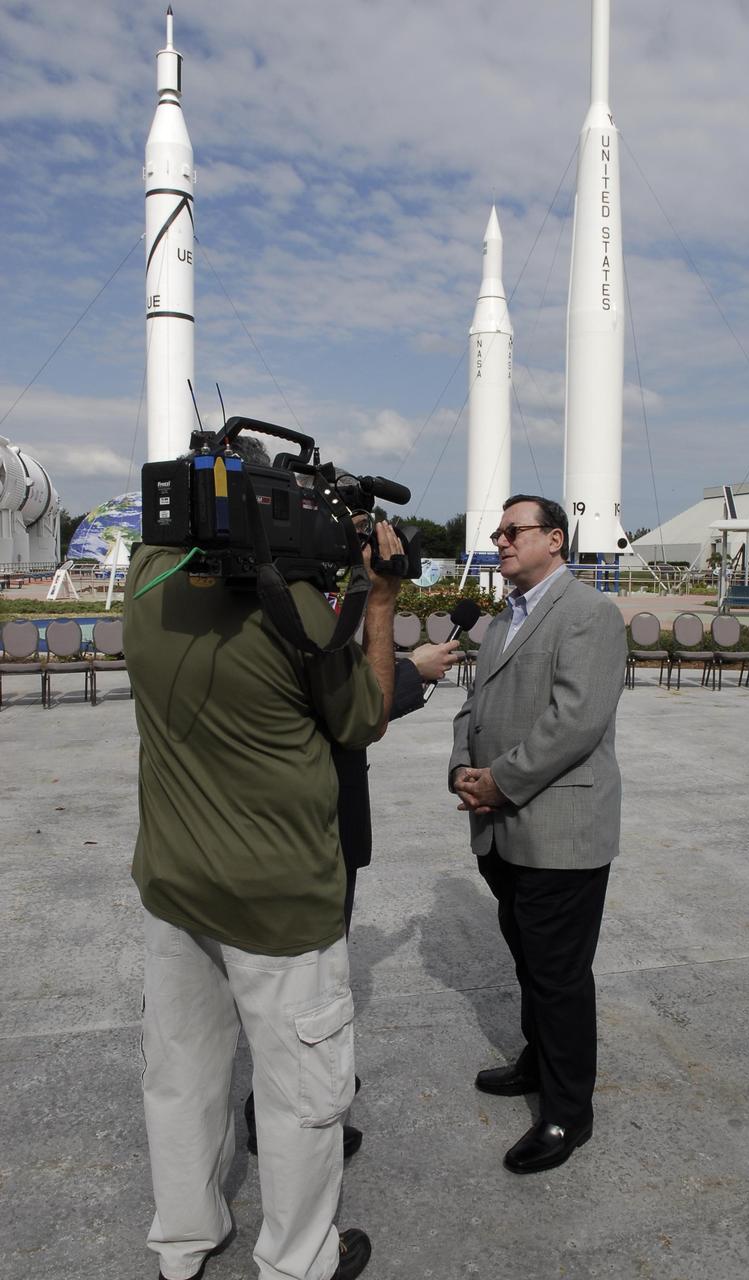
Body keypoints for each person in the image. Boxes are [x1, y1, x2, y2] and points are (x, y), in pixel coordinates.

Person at [125, 456, 405, 1280]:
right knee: (300, 1099)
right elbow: (368, 717)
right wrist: (378, 599)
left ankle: (183, 1242)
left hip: (175, 889)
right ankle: (297, 1261)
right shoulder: (306, 620)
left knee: (180, 1079)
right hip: (281, 904)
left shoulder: (147, 583)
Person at [449, 494, 626, 1175]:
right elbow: (473, 703)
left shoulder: (588, 613)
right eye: (497, 532)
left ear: (553, 539)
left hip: (559, 826)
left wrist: (500, 780)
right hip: (500, 824)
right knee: (528, 960)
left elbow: (575, 721)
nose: (498, 541)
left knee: (557, 975)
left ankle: (566, 1114)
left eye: (511, 531)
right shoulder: (503, 618)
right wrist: (461, 768)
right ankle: (537, 1060)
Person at [244, 637, 460, 1160]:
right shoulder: (278, 610)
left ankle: (303, 1094)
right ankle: (292, 1123)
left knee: (307, 981)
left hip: (310, 831)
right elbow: (332, 709)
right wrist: (410, 671)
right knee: (305, 987)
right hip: (311, 833)